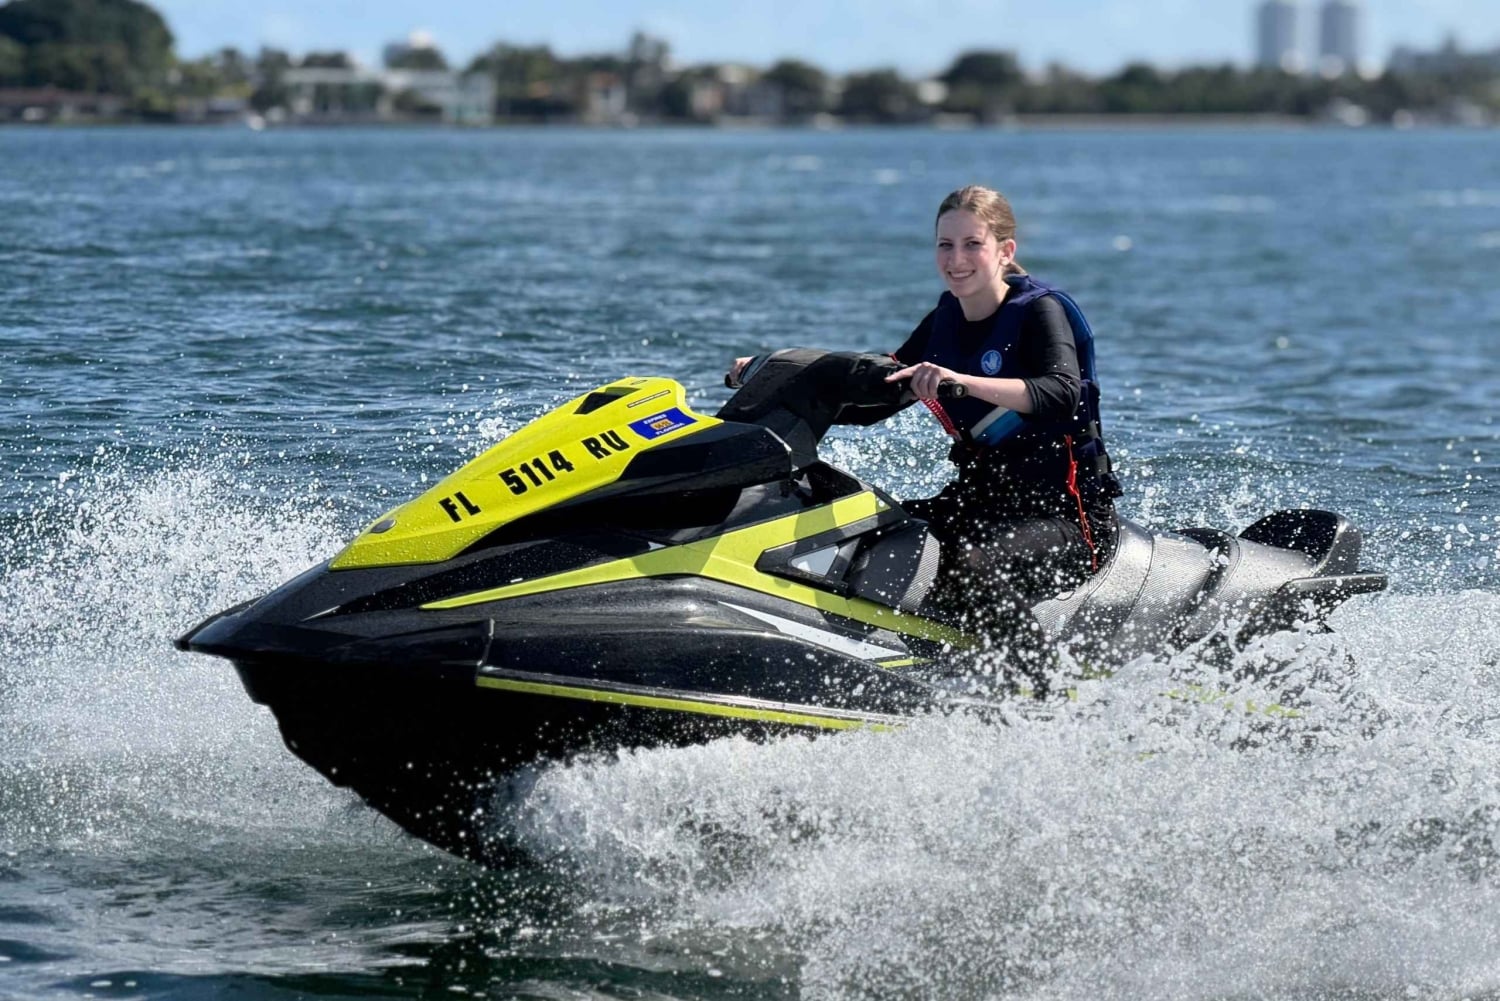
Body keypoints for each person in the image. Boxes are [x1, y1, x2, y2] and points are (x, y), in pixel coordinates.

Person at [731, 185, 1122, 688]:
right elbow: (882, 394)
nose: (956, 259)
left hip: (1068, 518)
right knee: (859, 536)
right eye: (945, 245)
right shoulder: (945, 320)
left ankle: (1045, 699)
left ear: (1005, 251)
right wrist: (780, 374)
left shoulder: (1039, 312)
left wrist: (962, 382)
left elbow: (1060, 393)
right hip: (981, 502)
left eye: (972, 245)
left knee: (970, 568)